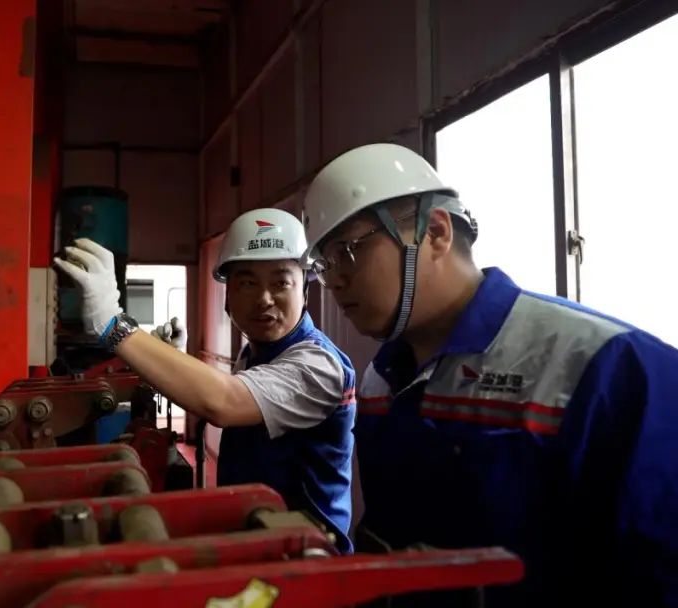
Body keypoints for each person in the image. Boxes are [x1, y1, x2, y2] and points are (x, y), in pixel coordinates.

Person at [302, 142, 678, 605]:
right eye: (325, 265)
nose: (336, 280)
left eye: (348, 251)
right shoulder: (381, 379)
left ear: (435, 232)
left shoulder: (608, 367)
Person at [54, 208, 358, 552]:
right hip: (258, 543)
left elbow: (224, 401)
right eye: (247, 283)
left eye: (280, 282)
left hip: (306, 562)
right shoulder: (256, 353)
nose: (264, 298)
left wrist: (112, 323)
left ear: (304, 290)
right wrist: (173, 358)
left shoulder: (319, 365)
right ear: (228, 296)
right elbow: (232, 391)